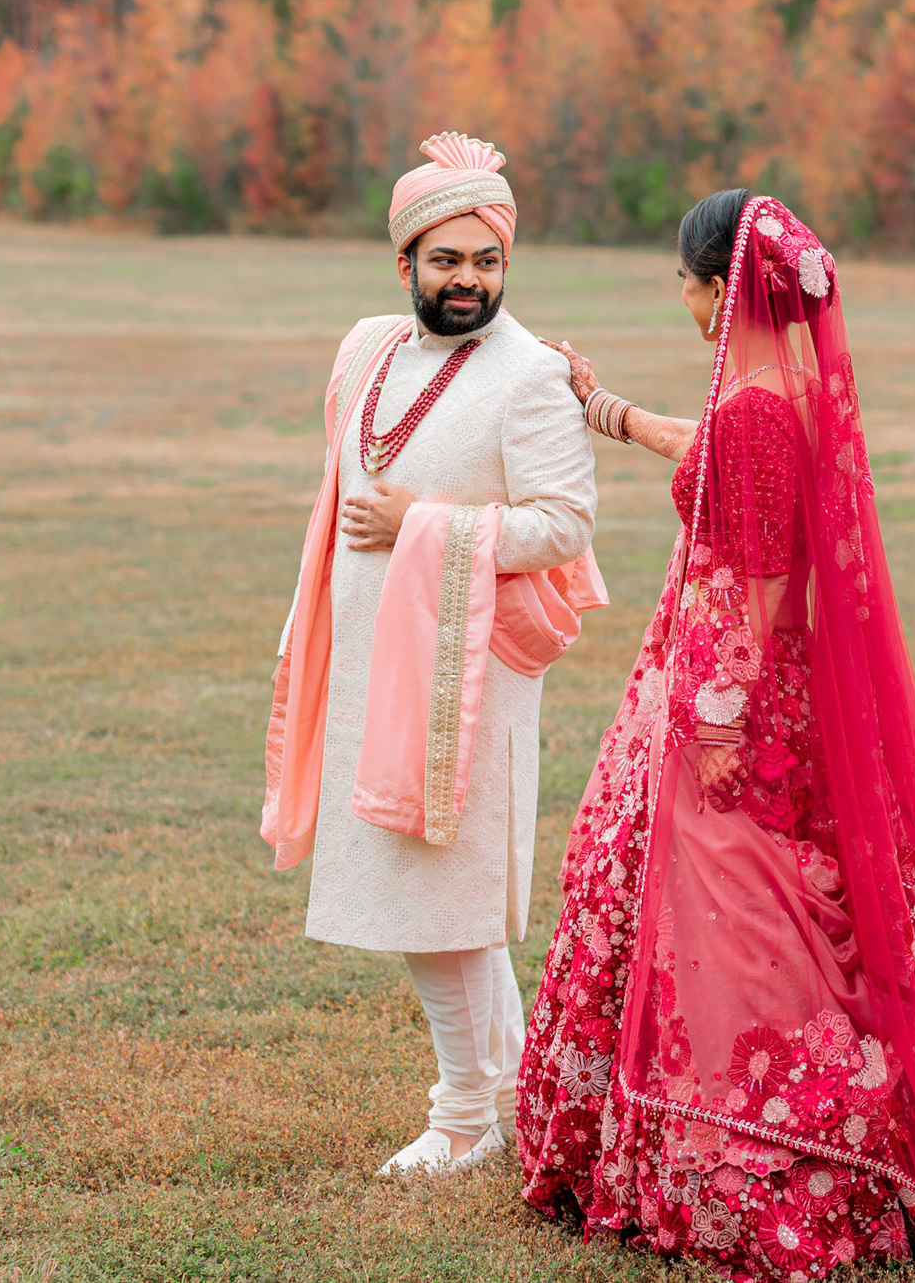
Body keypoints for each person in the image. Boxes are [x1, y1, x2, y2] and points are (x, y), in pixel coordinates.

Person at [517, 190, 915, 1278]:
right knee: (797, 904)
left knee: (733, 919)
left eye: (685, 280)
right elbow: (713, 455)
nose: (683, 296)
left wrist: (715, 719)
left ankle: (765, 1152)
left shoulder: (753, 408)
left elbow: (761, 584)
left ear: (716, 288)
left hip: (731, 696)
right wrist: (602, 407)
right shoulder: (784, 390)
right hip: (766, 687)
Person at [261, 132, 606, 1179]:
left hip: (465, 669)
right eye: (447, 260)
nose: (469, 280)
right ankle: (503, 1088)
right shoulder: (366, 347)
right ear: (404, 260)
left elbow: (564, 521)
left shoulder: (528, 375)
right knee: (429, 890)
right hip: (372, 655)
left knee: (440, 894)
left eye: (488, 261)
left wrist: (426, 522)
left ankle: (462, 1115)